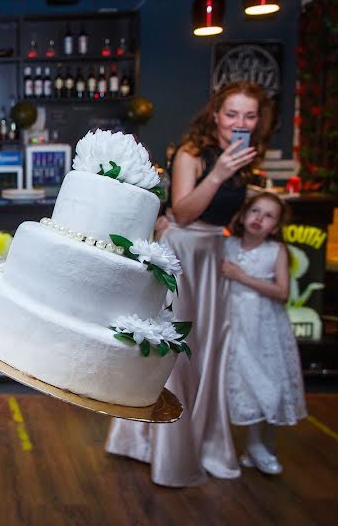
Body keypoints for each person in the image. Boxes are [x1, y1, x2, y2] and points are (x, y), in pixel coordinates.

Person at [105, 80, 274, 487]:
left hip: (214, 256)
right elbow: (181, 212)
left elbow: (223, 216)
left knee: (209, 350)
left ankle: (205, 442)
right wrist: (218, 174)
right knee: (175, 352)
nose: (240, 122)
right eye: (232, 113)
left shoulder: (247, 155)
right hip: (184, 254)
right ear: (215, 113)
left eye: (249, 116)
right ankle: (157, 445)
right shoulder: (192, 154)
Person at [222, 192, 307, 475]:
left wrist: (243, 277)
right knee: (244, 383)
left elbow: (282, 292)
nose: (259, 218)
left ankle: (262, 447)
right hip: (233, 322)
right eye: (255, 211)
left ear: (276, 225)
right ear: (244, 214)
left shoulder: (276, 251)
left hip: (264, 326)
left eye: (269, 215)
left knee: (269, 385)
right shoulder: (227, 245)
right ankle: (251, 445)